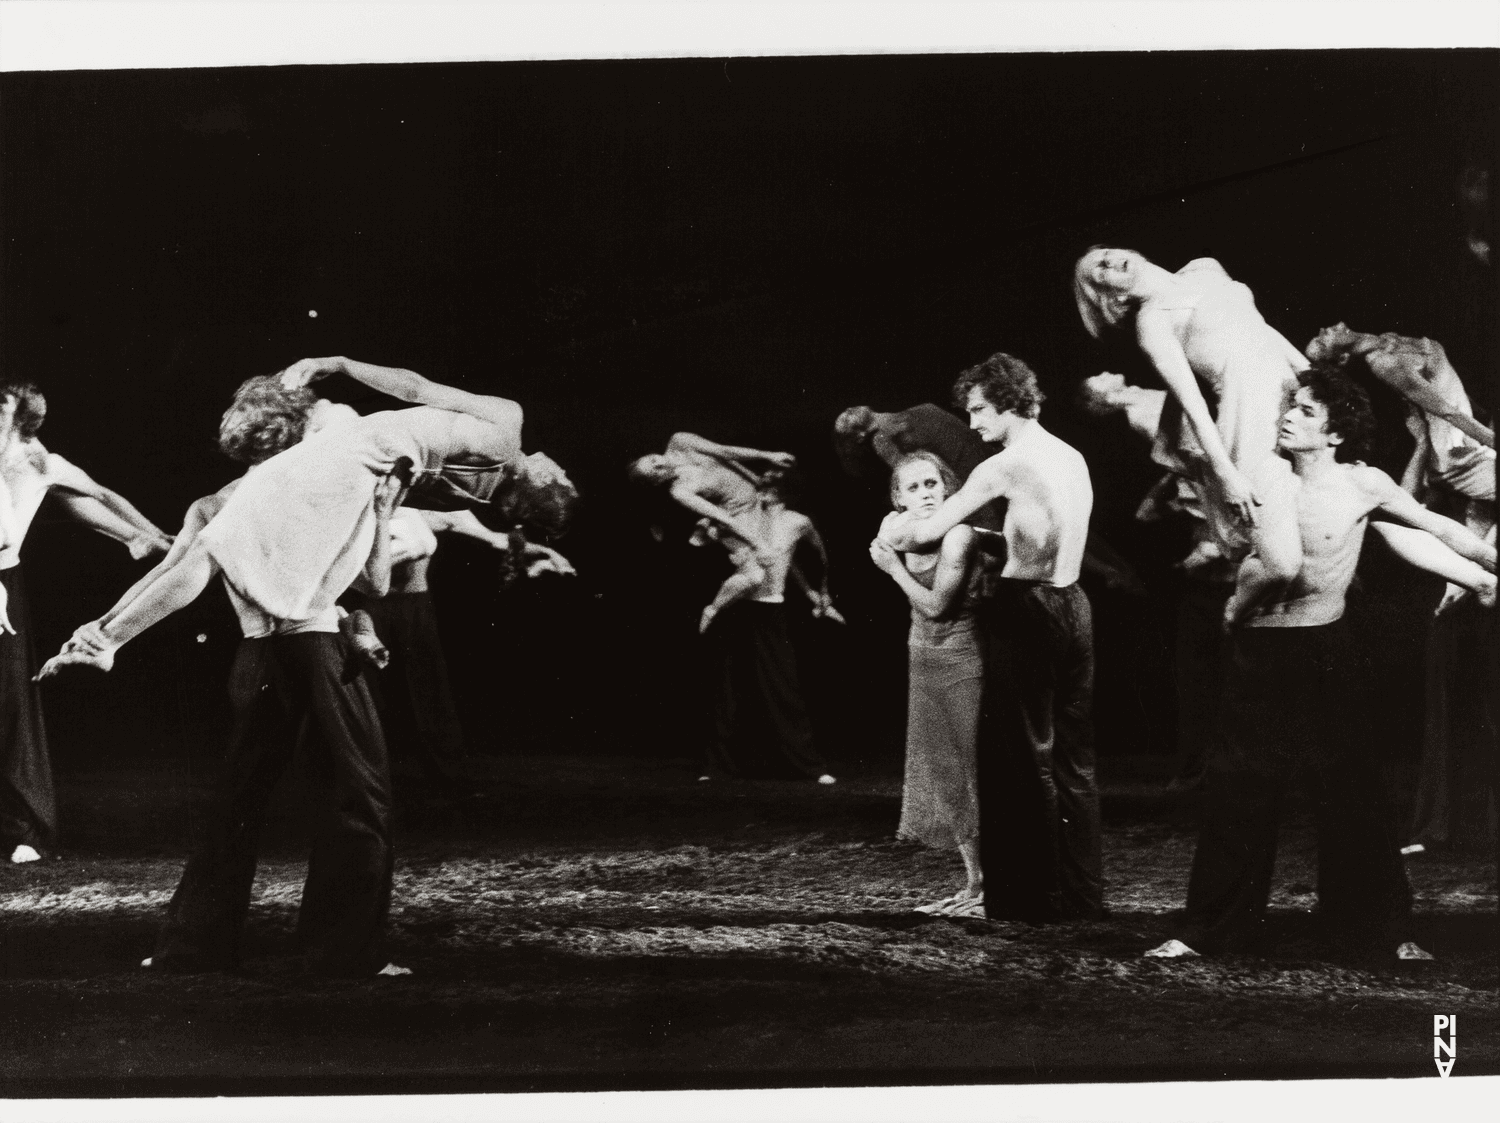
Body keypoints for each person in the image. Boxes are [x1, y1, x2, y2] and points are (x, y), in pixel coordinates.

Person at [58, 376, 409, 976]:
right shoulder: (318, 488)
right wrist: (384, 511)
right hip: (318, 650)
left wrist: (102, 629)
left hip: (256, 658)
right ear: (298, 432)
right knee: (360, 798)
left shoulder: (212, 504)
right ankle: (345, 952)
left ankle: (191, 946)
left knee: (237, 803)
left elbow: (167, 577)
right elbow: (372, 584)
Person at [1145, 367, 1496, 962]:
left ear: (1336, 433)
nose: (1289, 416)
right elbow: (1272, 564)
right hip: (1261, 652)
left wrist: (1486, 567)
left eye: (1307, 410)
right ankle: (1208, 929)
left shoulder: (1362, 484)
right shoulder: (1268, 477)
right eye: (1292, 405)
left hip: (1326, 650)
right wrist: (1236, 610)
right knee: (1239, 792)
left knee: (1354, 791)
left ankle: (1380, 931)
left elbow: (1433, 527)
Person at [35, 356, 576, 676]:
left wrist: (339, 364)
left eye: (562, 476)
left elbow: (416, 388)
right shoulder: (479, 491)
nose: (560, 464)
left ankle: (106, 639)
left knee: (215, 540)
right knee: (208, 525)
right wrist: (514, 544)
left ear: (540, 479)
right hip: (348, 464)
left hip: (346, 459)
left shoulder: (507, 427)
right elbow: (432, 500)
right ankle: (100, 635)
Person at [881, 352, 1101, 923]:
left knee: (1021, 761)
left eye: (979, 409)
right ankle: (1079, 898)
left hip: (1029, 610)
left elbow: (924, 532)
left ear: (1008, 403)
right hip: (1074, 604)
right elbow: (1043, 530)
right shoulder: (1070, 455)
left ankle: (1027, 902)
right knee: (1074, 762)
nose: (972, 422)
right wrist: (987, 537)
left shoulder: (1003, 465)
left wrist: (888, 536)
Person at [1306, 327, 1497, 855]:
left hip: (1466, 468)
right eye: (1321, 342)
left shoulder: (1392, 346)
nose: (1324, 330)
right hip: (1465, 463)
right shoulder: (1385, 363)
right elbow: (1447, 416)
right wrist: (1484, 439)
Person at [0, 379, 171, 865]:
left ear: (21, 423)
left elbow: (99, 495)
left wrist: (151, 537)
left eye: (0, 410)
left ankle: (23, 828)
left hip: (3, 581)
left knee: (11, 704)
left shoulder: (39, 462)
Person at [1073, 248, 1307, 562]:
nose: (1111, 262)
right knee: (1279, 555)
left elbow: (1259, 327)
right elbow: (1193, 405)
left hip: (1297, 396)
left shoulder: (1204, 267)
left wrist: (1311, 374)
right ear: (1110, 296)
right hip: (1249, 420)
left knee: (1318, 518)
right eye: (1102, 270)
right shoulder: (1152, 324)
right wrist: (1227, 475)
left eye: (1106, 254)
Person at [345, 505, 575, 789]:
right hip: (368, 604)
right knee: (363, 689)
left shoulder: (426, 512)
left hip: (412, 605)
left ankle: (448, 774)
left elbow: (492, 537)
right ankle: (358, 777)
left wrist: (547, 552)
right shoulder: (362, 509)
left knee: (428, 689)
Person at [868, 452, 983, 914]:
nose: (926, 494)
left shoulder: (958, 535)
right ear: (898, 497)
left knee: (973, 774)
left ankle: (994, 886)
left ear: (947, 486)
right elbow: (887, 532)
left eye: (932, 484)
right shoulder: (899, 526)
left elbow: (936, 607)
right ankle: (973, 884)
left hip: (962, 660)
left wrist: (894, 569)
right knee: (946, 776)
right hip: (922, 658)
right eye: (913, 487)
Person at [629, 432, 840, 632]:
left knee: (794, 543)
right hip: (739, 517)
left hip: (759, 492)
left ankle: (819, 600)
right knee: (757, 575)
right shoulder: (680, 491)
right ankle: (712, 609)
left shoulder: (680, 442)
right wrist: (757, 543)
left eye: (652, 459)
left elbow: (725, 451)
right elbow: (723, 518)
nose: (660, 463)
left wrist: (768, 455)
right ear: (657, 481)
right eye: (655, 470)